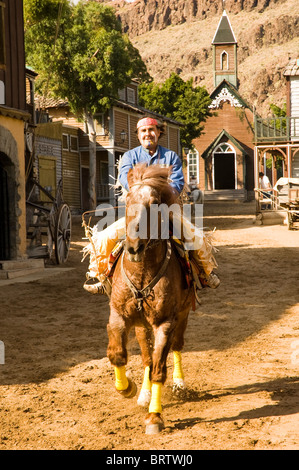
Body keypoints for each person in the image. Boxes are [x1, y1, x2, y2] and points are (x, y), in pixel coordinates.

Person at [83, 116, 220, 294]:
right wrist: (144, 191)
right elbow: (125, 178)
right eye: (143, 131)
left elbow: (177, 184)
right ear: (138, 135)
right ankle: (100, 276)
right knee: (103, 238)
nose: (148, 134)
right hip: (137, 213)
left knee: (197, 238)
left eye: (151, 130)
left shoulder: (171, 157)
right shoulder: (129, 156)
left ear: (158, 132)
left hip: (166, 211)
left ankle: (206, 273)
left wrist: (156, 192)